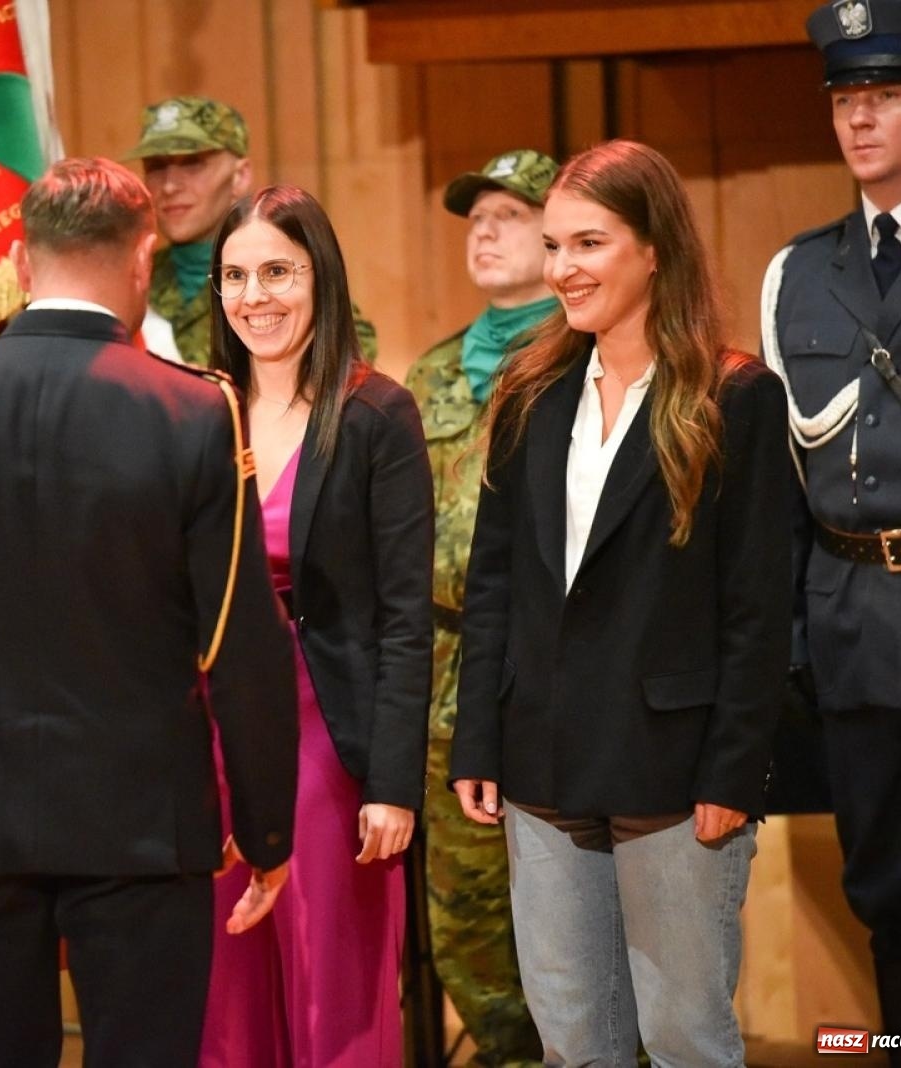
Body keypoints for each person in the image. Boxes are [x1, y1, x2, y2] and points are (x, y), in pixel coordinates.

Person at [0, 157, 299, 1068]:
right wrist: (266, 825)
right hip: (143, 821)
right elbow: (239, 639)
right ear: (142, 258)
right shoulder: (195, 409)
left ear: (18, 257)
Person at [450, 140, 791, 1066]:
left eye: (588, 244)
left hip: (675, 772)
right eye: (554, 246)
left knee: (684, 1037)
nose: (563, 269)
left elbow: (759, 609)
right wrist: (479, 735)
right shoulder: (531, 389)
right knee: (574, 1041)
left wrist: (733, 771)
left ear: (653, 248)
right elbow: (494, 583)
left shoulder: (735, 397)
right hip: (541, 761)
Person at [761, 0, 901, 1046]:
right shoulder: (796, 272)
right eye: (845, 97)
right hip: (850, 627)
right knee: (888, 888)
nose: (859, 117)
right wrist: (796, 638)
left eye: (885, 94)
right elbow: (782, 487)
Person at [200, 184, 433, 1068]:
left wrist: (395, 780)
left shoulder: (376, 413)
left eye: (277, 271)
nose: (255, 296)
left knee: (332, 983)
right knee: (223, 993)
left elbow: (408, 616)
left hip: (330, 737)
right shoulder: (197, 411)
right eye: (235, 276)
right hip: (214, 728)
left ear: (320, 278)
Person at [404, 149, 556, 1066]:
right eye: (475, 217)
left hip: (557, 674)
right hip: (448, 679)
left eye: (510, 213)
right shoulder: (425, 376)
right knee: (467, 928)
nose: (487, 231)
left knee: (584, 918)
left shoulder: (591, 359)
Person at [124, 95, 378, 366]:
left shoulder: (289, 278)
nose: (170, 186)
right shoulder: (131, 282)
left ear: (240, 176)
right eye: (156, 167)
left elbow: (344, 365)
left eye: (192, 163)